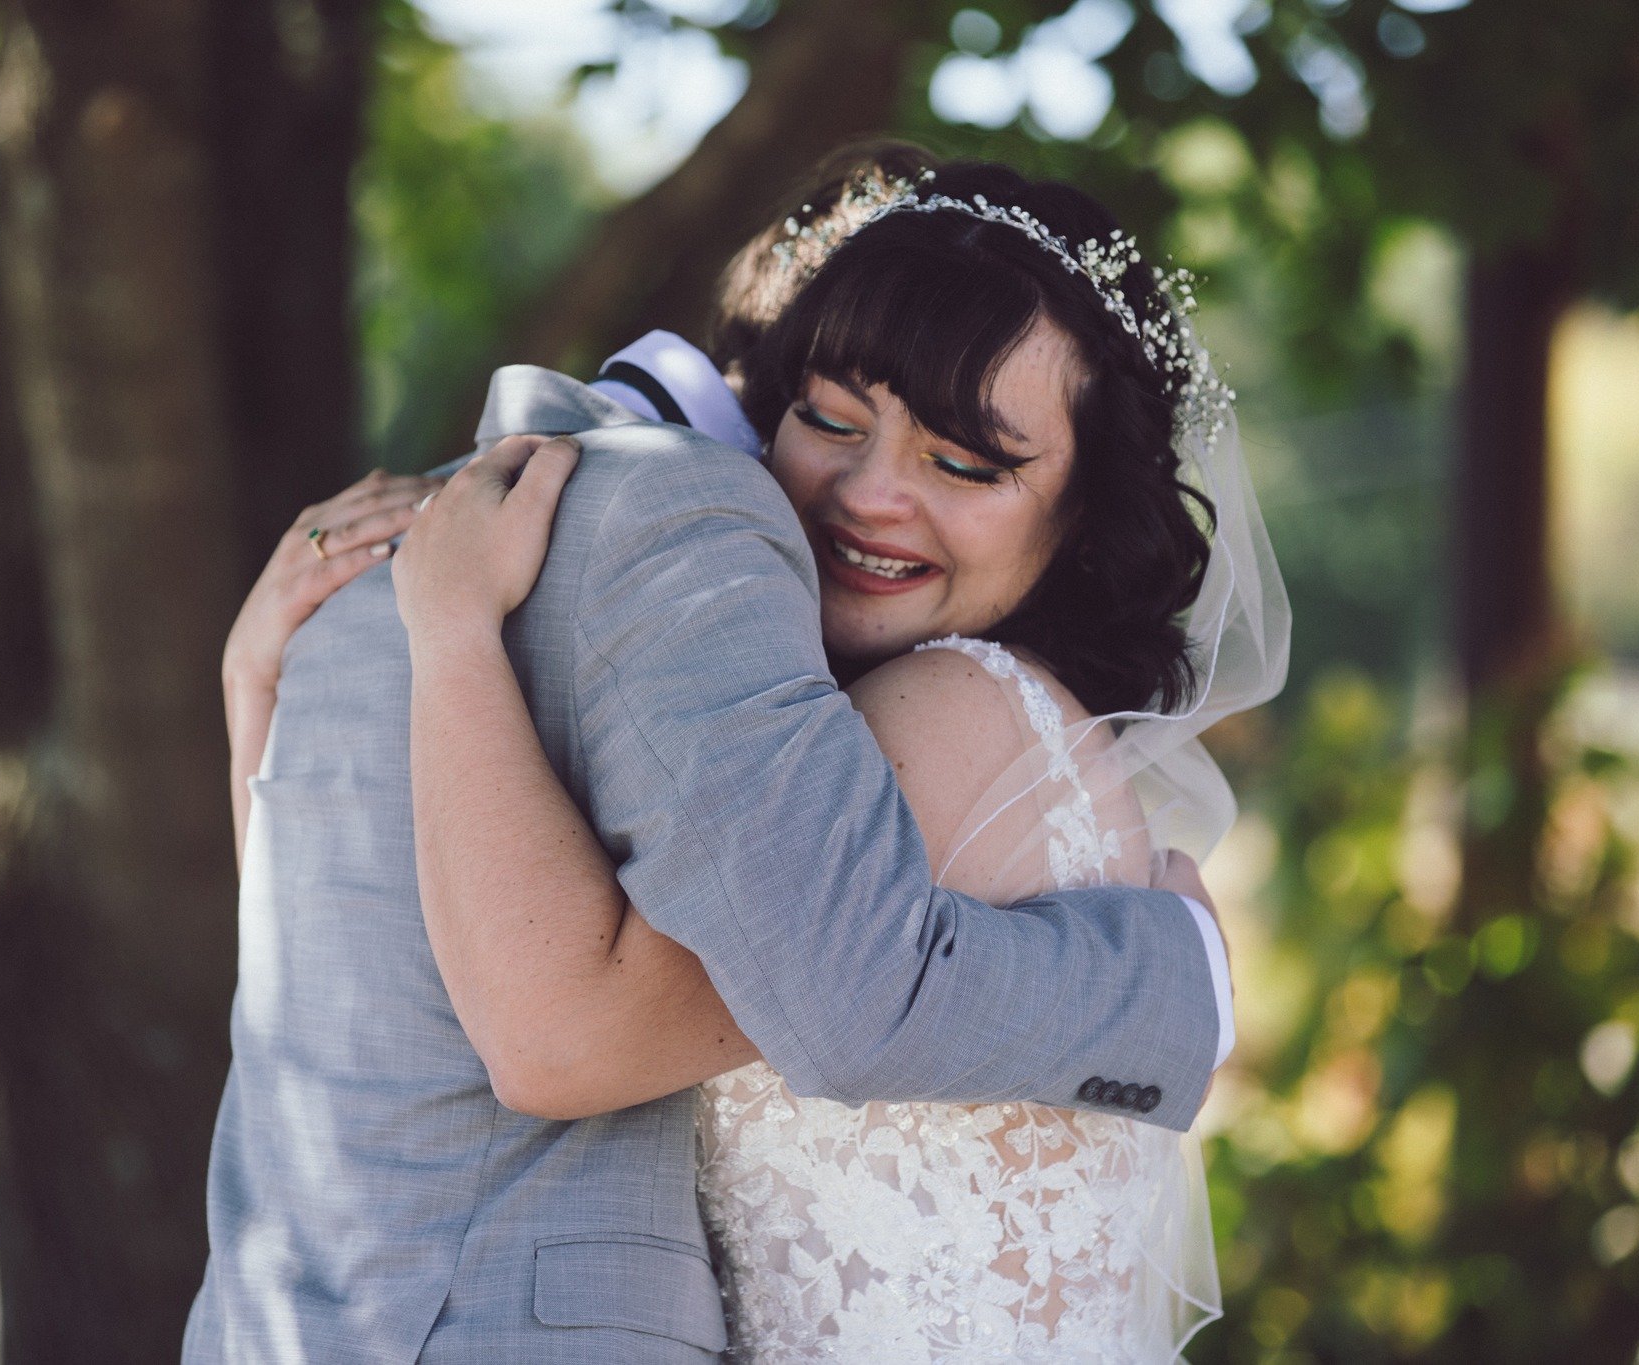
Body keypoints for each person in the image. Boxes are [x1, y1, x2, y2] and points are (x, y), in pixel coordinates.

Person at [187, 149, 1250, 1362]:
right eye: (831, 421)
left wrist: (453, 632)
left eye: (963, 464)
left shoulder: (947, 712)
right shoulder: (768, 727)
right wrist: (259, 686)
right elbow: (394, 974)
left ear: (1084, 518)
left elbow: (560, 1037)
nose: (868, 494)